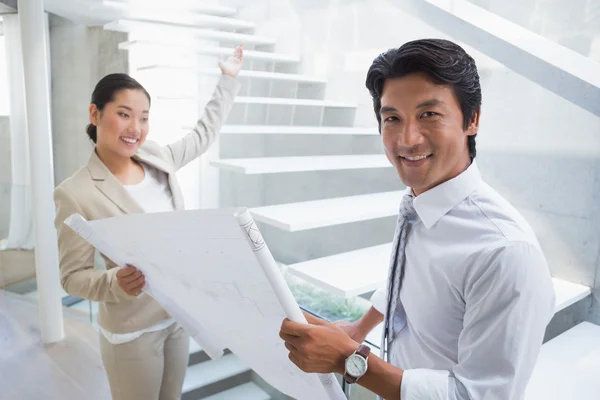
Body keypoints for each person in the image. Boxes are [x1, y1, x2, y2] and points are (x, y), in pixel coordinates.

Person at [279, 39, 555, 400]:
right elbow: (409, 276)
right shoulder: (420, 202)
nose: (407, 139)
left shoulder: (505, 253)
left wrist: (350, 360)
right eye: (392, 118)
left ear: (472, 119)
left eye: (429, 115)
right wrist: (360, 329)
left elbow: (479, 396)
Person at [53, 45, 243, 400]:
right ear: (95, 113)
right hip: (132, 329)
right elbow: (72, 277)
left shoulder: (156, 156)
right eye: (124, 114)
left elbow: (203, 135)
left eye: (143, 117)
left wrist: (228, 79)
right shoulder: (74, 192)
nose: (135, 128)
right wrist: (114, 281)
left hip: (177, 316)